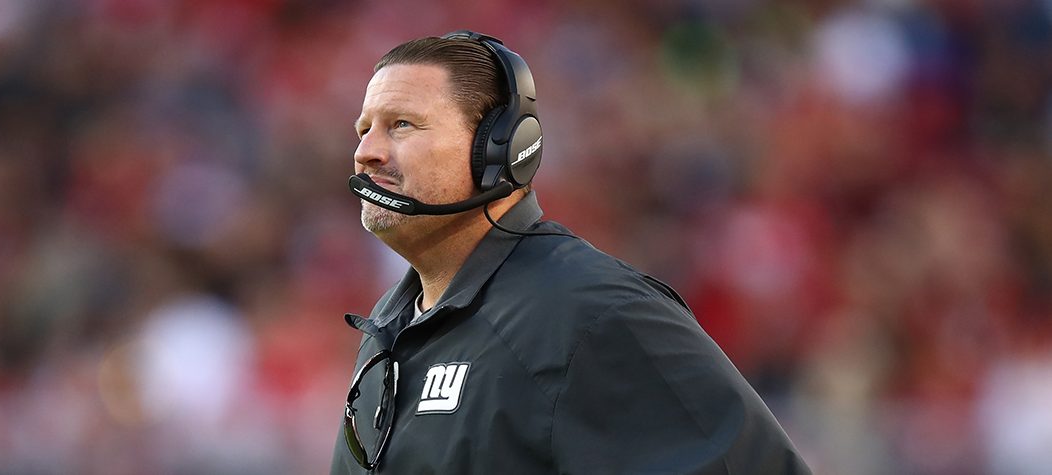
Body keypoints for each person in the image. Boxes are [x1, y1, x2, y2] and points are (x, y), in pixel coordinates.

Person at [331, 31, 810, 474]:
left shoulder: (592, 313)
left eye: (401, 125)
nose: (366, 152)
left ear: (497, 147)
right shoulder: (387, 332)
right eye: (363, 129)